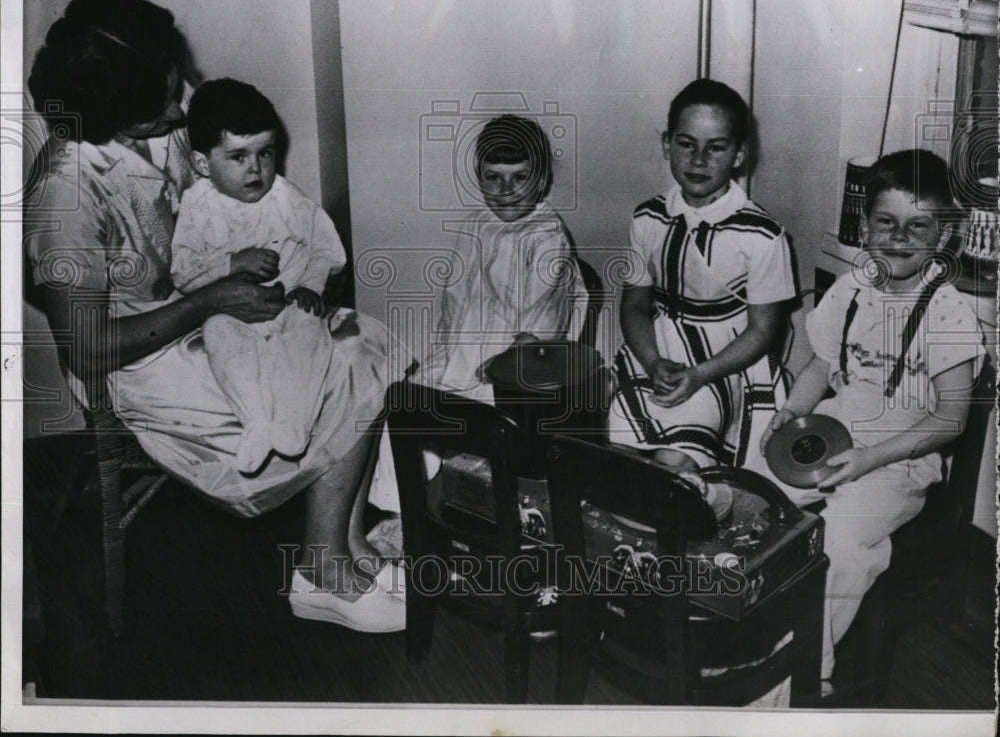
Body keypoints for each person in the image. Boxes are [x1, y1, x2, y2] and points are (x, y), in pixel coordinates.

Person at [24, 0, 404, 632]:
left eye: (177, 85)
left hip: (209, 300)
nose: (183, 108)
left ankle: (346, 545)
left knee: (357, 339)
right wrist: (209, 300)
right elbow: (87, 349)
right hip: (138, 357)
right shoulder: (67, 194)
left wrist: (272, 269)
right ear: (116, 114)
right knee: (314, 378)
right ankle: (321, 573)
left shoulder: (162, 116)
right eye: (164, 104)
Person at [758, 148, 984, 695]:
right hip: (832, 433)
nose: (899, 238)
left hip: (898, 461)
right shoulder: (851, 289)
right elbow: (820, 365)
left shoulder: (949, 313)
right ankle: (749, 639)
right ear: (865, 227)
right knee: (758, 502)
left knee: (841, 542)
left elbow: (951, 420)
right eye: (886, 222)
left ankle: (802, 672)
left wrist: (868, 459)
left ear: (944, 236)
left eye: (918, 226)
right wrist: (791, 411)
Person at [368, 113, 586, 511]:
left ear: (541, 179)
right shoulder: (475, 224)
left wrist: (503, 364)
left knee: (484, 431)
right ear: (478, 176)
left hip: (510, 375)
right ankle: (401, 513)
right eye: (493, 178)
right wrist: (438, 360)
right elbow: (454, 303)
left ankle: (480, 510)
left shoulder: (547, 237)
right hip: (458, 356)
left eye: (520, 178)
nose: (506, 191)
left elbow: (541, 325)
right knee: (402, 409)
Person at [171, 78, 370, 476]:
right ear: (202, 164)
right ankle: (257, 421)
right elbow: (183, 272)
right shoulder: (197, 207)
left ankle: (294, 420)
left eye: (265, 153)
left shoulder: (286, 198)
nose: (256, 169)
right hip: (232, 316)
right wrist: (231, 264)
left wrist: (310, 286)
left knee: (308, 332)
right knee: (218, 333)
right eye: (238, 157)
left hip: (287, 307)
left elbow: (326, 249)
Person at [609, 79, 795, 471]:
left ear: (739, 153)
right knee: (617, 453)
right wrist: (652, 361)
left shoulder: (762, 235)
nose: (698, 160)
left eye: (716, 147)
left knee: (675, 460)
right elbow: (635, 305)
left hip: (725, 361)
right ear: (667, 145)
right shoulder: (647, 218)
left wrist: (700, 374)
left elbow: (763, 331)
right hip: (657, 348)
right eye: (686, 144)